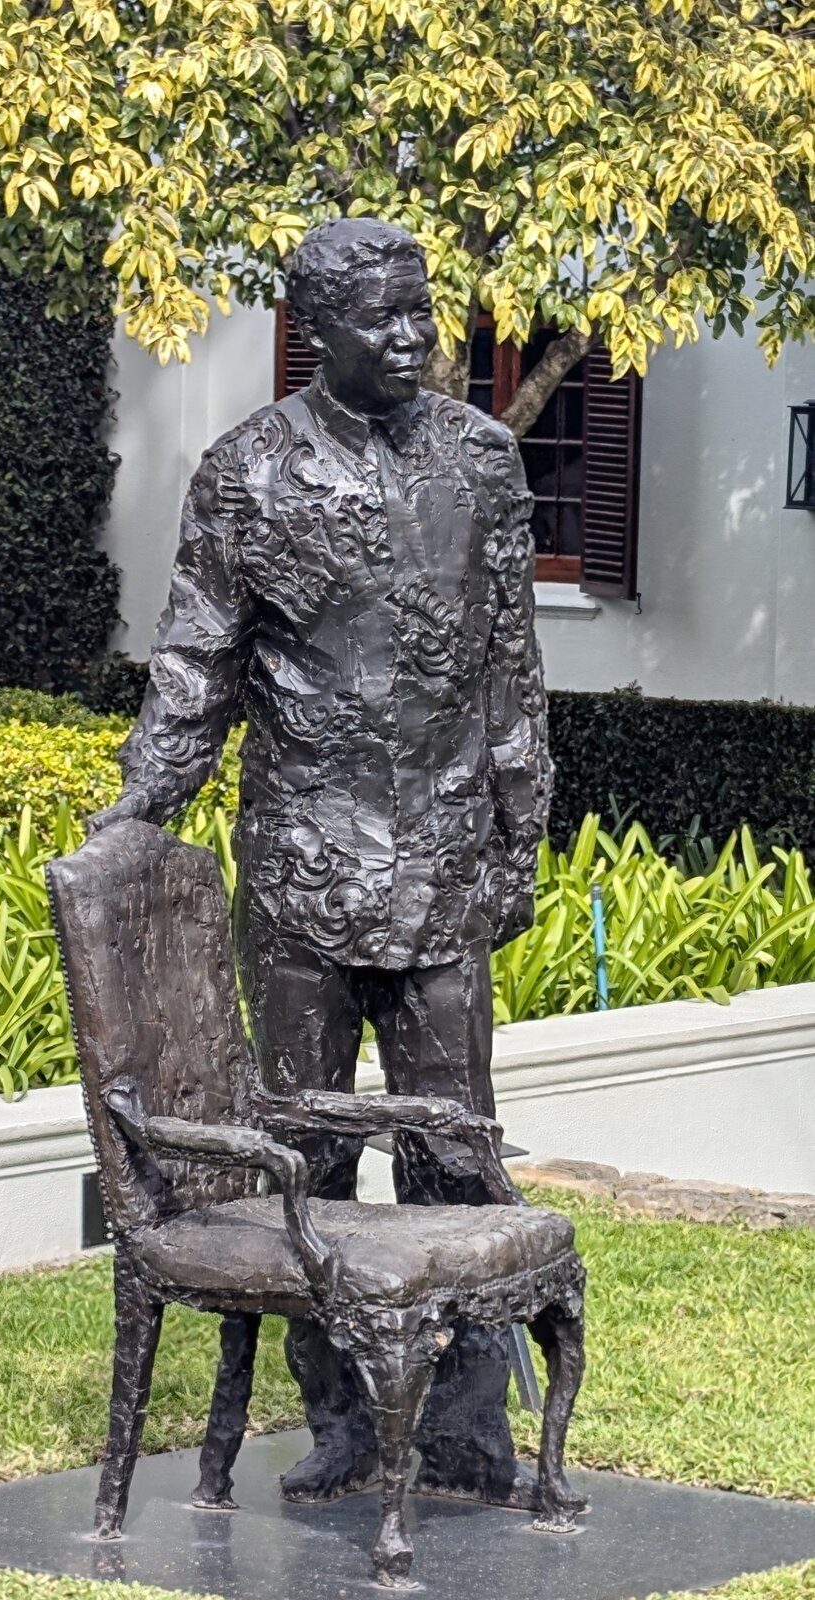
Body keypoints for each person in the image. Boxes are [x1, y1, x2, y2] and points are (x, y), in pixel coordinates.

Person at [89, 216, 553, 1506]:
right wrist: (141, 812)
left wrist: (524, 830)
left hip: (450, 856)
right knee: (304, 1149)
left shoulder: (483, 462)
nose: (415, 336)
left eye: (426, 311)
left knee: (458, 1151)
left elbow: (513, 668)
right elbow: (198, 663)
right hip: (304, 862)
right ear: (317, 330)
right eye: (383, 319)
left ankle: (467, 1427)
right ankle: (343, 1421)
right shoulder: (249, 474)